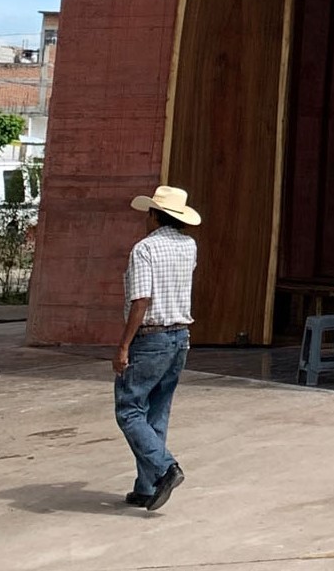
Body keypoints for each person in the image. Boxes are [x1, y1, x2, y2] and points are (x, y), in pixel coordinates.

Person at [113, 184, 201, 511]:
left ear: (153, 215)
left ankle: (165, 468)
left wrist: (123, 345)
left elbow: (141, 300)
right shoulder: (189, 246)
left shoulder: (144, 249)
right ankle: (147, 486)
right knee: (157, 411)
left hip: (151, 337)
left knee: (129, 409)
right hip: (180, 337)